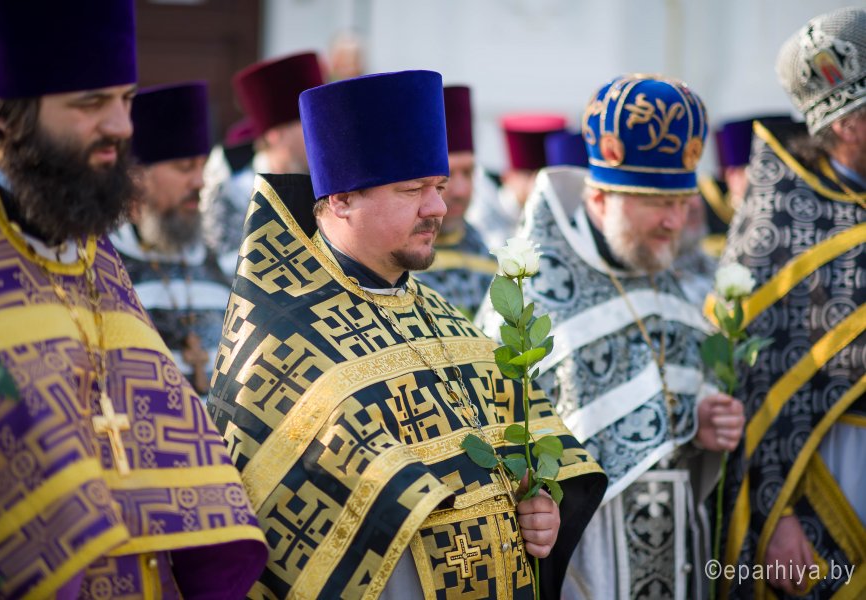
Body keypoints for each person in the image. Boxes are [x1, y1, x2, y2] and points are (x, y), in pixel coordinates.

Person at [207, 69, 607, 599]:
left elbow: (531, 467)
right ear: (342, 198)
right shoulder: (282, 340)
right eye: (413, 189)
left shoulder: (446, 318)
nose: (438, 207)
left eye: (438, 186)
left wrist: (540, 509)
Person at [0, 1, 266, 597]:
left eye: (126, 99)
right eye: (91, 103)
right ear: (5, 121)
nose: (123, 126)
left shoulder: (89, 246)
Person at [479, 74, 746, 599]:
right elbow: (503, 430)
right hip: (586, 549)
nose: (674, 222)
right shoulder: (533, 291)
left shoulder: (671, 276)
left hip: (680, 545)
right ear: (600, 198)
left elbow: (675, 415)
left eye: (682, 202)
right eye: (656, 203)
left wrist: (702, 425)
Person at [716, 7, 866, 598]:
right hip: (835, 466)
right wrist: (774, 514)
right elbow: (751, 382)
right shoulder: (777, 223)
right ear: (849, 125)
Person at [110, 82, 231, 399]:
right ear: (136, 176)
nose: (200, 181)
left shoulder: (216, 263)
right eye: (184, 167)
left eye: (203, 166)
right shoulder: (107, 265)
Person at [200, 51, 325, 276]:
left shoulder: (328, 178)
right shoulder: (232, 185)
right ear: (275, 134)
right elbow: (220, 263)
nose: (322, 134)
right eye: (309, 124)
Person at [414, 85, 497, 319]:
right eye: (446, 176)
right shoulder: (396, 262)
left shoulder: (488, 254)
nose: (460, 190)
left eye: (468, 173)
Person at [466, 113, 566, 250]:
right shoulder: (482, 213)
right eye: (528, 175)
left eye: (543, 177)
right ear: (508, 176)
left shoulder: (558, 212)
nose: (537, 184)